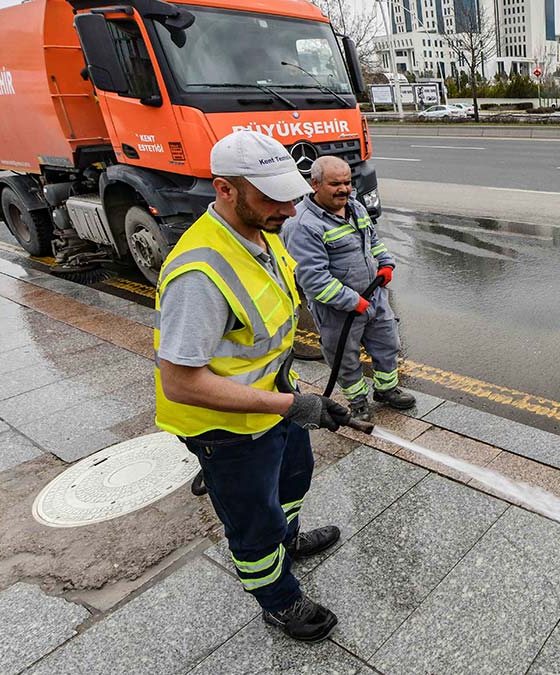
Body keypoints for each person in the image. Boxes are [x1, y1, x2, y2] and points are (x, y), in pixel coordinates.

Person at [154, 130, 351, 643]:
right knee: (253, 522)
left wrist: (293, 394)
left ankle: (287, 540)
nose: (287, 210)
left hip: (273, 408)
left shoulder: (262, 235)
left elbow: (263, 336)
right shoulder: (198, 272)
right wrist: (291, 403)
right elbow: (180, 382)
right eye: (270, 197)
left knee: (292, 482)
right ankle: (279, 600)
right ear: (224, 189)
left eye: (289, 195)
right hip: (226, 430)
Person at [282, 156, 416, 422]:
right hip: (337, 311)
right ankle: (357, 401)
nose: (344, 189)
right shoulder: (302, 225)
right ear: (315, 184)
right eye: (335, 184)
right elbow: (313, 279)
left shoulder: (355, 207)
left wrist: (386, 263)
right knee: (345, 359)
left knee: (388, 345)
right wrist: (351, 301)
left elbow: (372, 241)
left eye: (347, 182)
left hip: (374, 298)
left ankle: (386, 389)